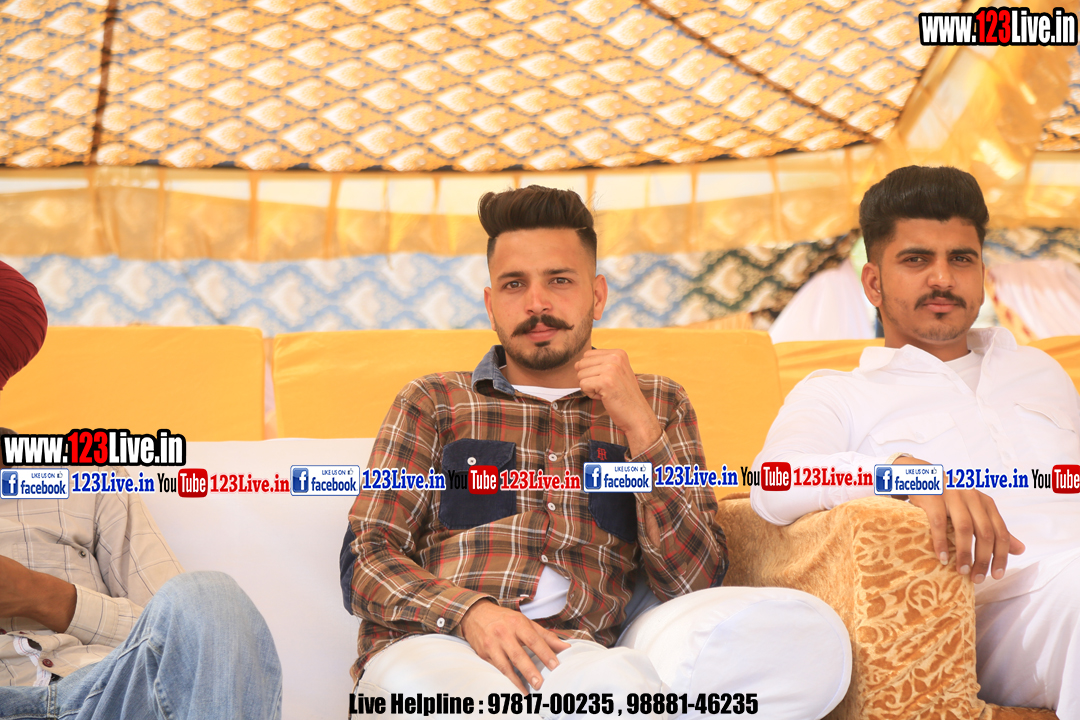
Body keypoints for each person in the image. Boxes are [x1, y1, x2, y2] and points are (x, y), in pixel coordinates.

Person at [343, 186, 851, 719]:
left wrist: (640, 429)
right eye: (515, 284)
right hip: (436, 645)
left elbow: (693, 580)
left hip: (572, 654)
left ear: (598, 295)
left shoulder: (659, 403)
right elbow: (365, 556)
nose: (537, 303)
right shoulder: (434, 401)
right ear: (492, 305)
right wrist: (473, 613)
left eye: (559, 280)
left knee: (629, 697)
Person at [750, 166, 1080, 717]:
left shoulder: (1040, 371)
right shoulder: (839, 393)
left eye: (961, 258)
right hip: (990, 614)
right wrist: (901, 472)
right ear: (873, 283)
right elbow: (772, 482)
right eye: (916, 259)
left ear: (982, 273)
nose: (942, 278)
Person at [0, 260, 283, 719]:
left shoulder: (83, 474)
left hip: (102, 696)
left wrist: (44, 596)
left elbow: (179, 629)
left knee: (211, 594)